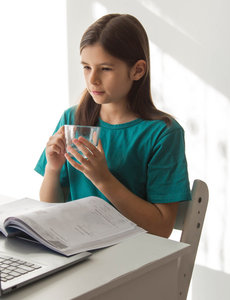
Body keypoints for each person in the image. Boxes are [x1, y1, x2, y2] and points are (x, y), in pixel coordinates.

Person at [34, 14, 191, 238]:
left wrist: (102, 178)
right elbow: (51, 208)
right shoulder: (72, 118)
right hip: (77, 248)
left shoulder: (163, 133)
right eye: (87, 67)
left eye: (105, 69)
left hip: (131, 256)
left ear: (137, 70)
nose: (93, 80)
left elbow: (162, 228)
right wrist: (52, 168)